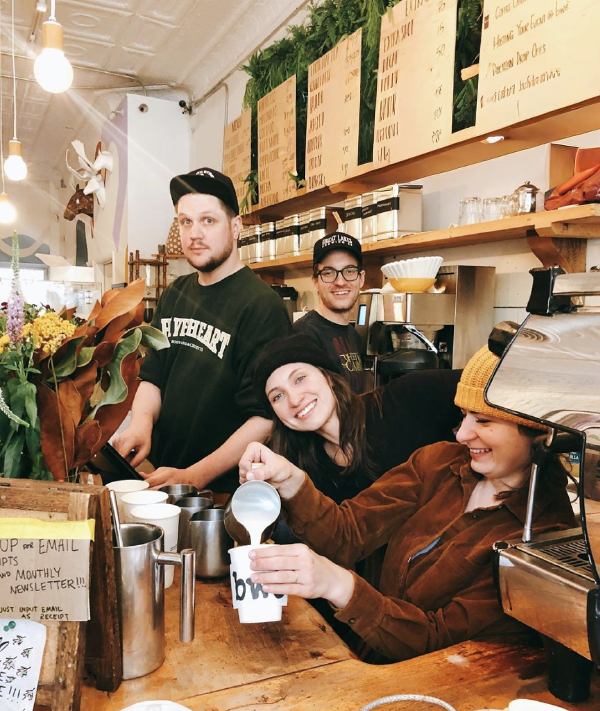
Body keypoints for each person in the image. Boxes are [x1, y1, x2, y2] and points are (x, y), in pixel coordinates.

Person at [239, 345, 575, 663]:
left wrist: (337, 584)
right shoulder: (438, 463)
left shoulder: (543, 541)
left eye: (483, 421)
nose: (461, 434)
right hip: (365, 661)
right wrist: (289, 479)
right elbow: (348, 533)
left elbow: (437, 639)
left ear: (541, 432)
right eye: (463, 416)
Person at [113, 167, 291, 492]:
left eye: (208, 220)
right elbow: (153, 376)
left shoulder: (262, 306)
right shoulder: (176, 293)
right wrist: (141, 425)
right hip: (163, 476)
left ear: (236, 227)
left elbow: (264, 419)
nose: (194, 233)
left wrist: (196, 476)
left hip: (224, 492)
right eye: (185, 221)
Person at [252, 333, 462, 502]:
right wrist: (256, 485)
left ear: (329, 377)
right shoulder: (298, 464)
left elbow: (489, 383)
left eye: (300, 378)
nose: (294, 400)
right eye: (277, 396)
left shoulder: (403, 398)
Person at [293, 232, 366, 393]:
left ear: (361, 278)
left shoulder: (354, 335)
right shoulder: (304, 336)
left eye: (349, 271)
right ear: (315, 282)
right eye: (328, 273)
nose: (340, 281)